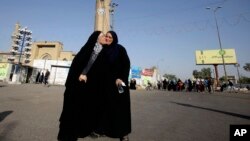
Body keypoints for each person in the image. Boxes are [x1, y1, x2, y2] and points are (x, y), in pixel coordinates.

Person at [58, 30, 131, 141]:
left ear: (115, 38)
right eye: (106, 36)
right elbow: (90, 63)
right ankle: (98, 129)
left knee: (119, 109)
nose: (107, 38)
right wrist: (83, 73)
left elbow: (126, 65)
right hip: (102, 86)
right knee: (99, 107)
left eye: (110, 37)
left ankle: (123, 133)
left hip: (117, 84)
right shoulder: (100, 49)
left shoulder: (120, 49)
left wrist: (121, 77)